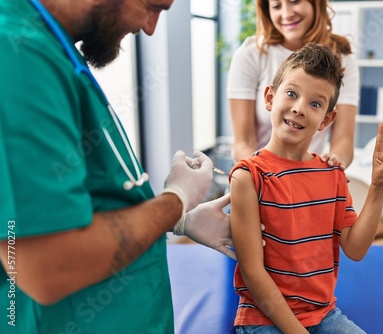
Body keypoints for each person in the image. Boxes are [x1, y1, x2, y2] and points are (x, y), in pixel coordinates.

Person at [0, 0, 234, 333]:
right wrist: (175, 200)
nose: (150, 28)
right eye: (152, 7)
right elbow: (47, 267)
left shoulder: (57, 49)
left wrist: (180, 221)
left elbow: (89, 203)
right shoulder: (17, 56)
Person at [229, 43, 383, 333]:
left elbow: (356, 248)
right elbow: (252, 271)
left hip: (323, 315)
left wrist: (378, 190)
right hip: (264, 318)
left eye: (315, 103)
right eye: (291, 94)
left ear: (326, 119)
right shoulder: (248, 176)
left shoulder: (333, 174)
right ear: (270, 98)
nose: (299, 109)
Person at [227, 0, 359, 170]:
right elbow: (243, 142)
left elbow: (343, 141)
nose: (286, 13)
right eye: (276, 6)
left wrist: (332, 165)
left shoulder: (343, 60)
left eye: (294, 1)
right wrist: (267, 175)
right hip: (258, 177)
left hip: (308, 178)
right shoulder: (251, 54)